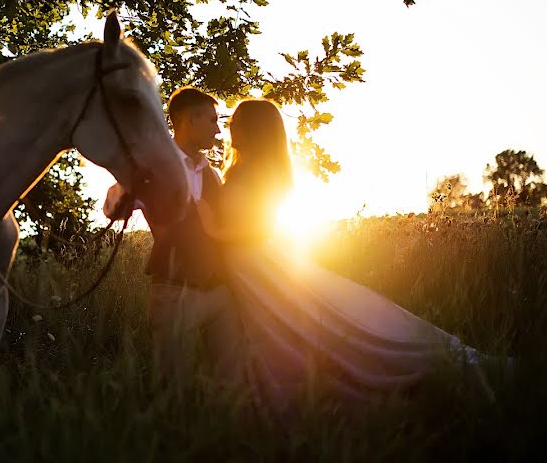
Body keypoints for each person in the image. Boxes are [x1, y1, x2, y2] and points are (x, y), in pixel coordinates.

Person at [196, 99, 502, 411]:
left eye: (237, 122)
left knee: (335, 329)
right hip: (248, 271)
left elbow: (260, 229)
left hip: (261, 266)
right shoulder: (239, 169)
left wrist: (213, 231)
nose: (229, 128)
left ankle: (442, 370)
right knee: (283, 334)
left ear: (255, 129)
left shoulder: (263, 172)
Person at [103, 87, 243, 382]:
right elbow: (112, 210)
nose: (217, 130)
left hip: (221, 291)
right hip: (174, 290)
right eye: (211, 121)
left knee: (233, 382)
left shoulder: (211, 174)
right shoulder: (151, 169)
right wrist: (130, 181)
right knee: (172, 383)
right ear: (189, 121)